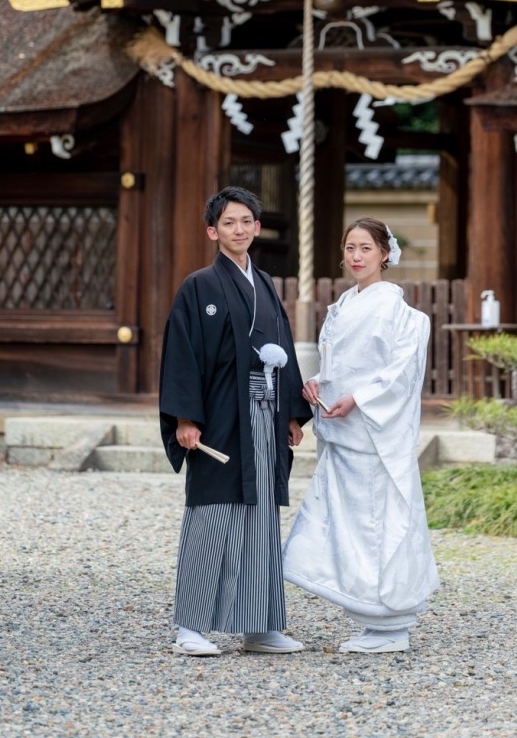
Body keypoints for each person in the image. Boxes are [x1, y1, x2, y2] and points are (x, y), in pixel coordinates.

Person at [159, 186, 312, 657]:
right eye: (229, 222)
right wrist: (186, 417)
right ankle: (191, 624)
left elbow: (283, 348)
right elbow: (182, 353)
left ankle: (259, 625)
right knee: (212, 512)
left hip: (264, 414)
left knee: (260, 516)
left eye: (246, 221)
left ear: (257, 228)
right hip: (221, 414)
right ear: (213, 231)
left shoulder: (264, 283)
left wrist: (291, 412)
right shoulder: (199, 285)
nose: (239, 229)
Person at [282, 216, 439, 653]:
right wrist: (317, 383)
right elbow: (338, 366)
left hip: (373, 436)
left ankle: (390, 622)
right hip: (342, 431)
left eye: (366, 248)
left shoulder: (400, 313)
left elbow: (399, 375)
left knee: (377, 525)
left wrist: (359, 398)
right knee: (348, 525)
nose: (356, 256)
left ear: (384, 254)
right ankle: (372, 618)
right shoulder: (341, 306)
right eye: (350, 248)